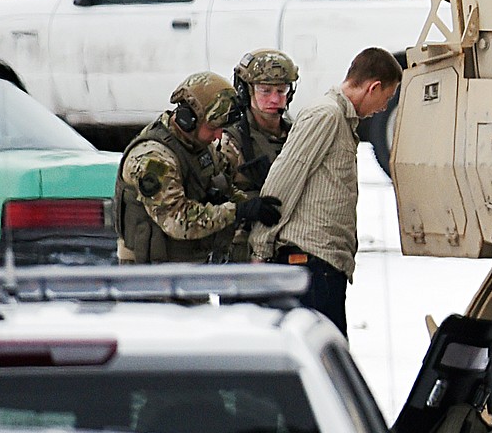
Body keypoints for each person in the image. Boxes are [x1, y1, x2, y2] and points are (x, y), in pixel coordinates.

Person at [249, 47, 401, 337]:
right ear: (374, 87)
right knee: (320, 355)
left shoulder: (343, 121)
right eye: (389, 97)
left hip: (326, 264)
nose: (385, 107)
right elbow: (285, 178)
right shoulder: (326, 115)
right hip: (310, 262)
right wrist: (261, 247)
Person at [114, 71, 282, 264]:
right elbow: (177, 220)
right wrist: (237, 211)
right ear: (189, 120)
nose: (219, 136)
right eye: (213, 128)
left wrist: (252, 204)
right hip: (151, 276)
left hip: (189, 266)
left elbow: (222, 183)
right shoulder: (153, 160)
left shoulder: (200, 147)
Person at [219, 49, 299, 261]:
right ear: (247, 91)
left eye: (281, 91)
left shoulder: (296, 135)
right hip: (243, 250)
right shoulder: (231, 139)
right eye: (265, 91)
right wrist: (247, 206)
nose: (274, 99)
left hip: (289, 244)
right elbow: (214, 196)